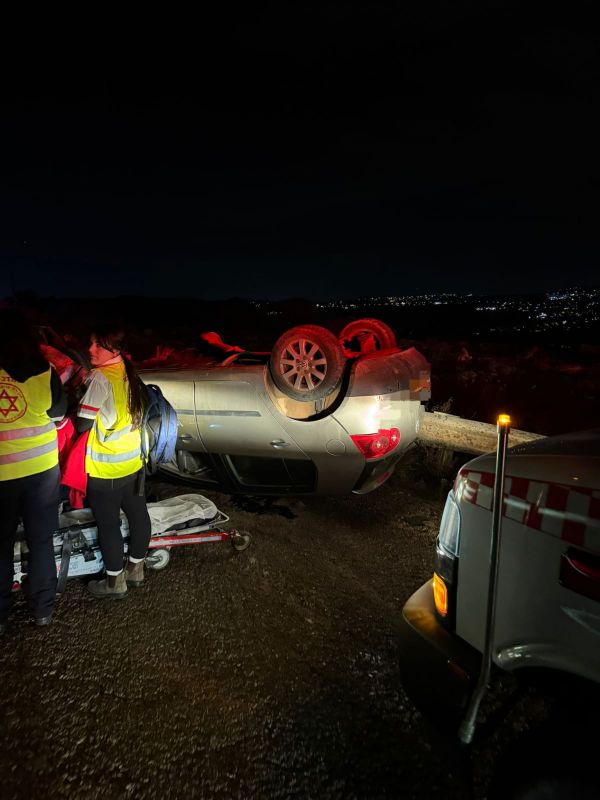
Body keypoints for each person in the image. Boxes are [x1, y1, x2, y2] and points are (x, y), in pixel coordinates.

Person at [0, 311, 66, 634]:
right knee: (41, 541)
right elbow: (59, 412)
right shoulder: (45, 371)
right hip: (41, 470)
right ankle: (42, 610)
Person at [76, 326, 151, 599]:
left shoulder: (99, 378)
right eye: (91, 343)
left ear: (115, 350)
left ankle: (114, 583)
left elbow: (83, 423)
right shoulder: (129, 372)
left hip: (105, 469)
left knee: (108, 525)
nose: (91, 350)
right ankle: (136, 569)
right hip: (132, 463)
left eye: (98, 345)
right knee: (138, 515)